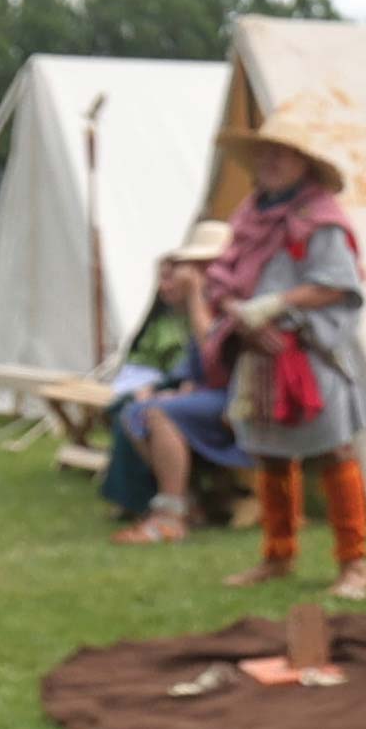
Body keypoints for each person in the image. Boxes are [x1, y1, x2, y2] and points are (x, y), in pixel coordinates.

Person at [196, 100, 366, 597]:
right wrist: (241, 315)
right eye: (266, 154)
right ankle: (277, 555)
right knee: (270, 453)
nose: (271, 162)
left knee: (333, 450)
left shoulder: (321, 219)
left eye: (283, 154)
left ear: (304, 164)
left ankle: (355, 564)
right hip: (258, 351)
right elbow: (223, 277)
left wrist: (277, 305)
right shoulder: (248, 215)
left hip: (309, 351)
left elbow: (337, 285)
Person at [104, 219, 249, 539]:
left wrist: (196, 293)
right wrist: (178, 388)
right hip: (214, 393)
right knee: (135, 411)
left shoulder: (232, 298)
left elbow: (213, 350)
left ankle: (170, 514)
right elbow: (195, 366)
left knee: (160, 413)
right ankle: (188, 500)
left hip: (243, 396)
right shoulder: (208, 302)